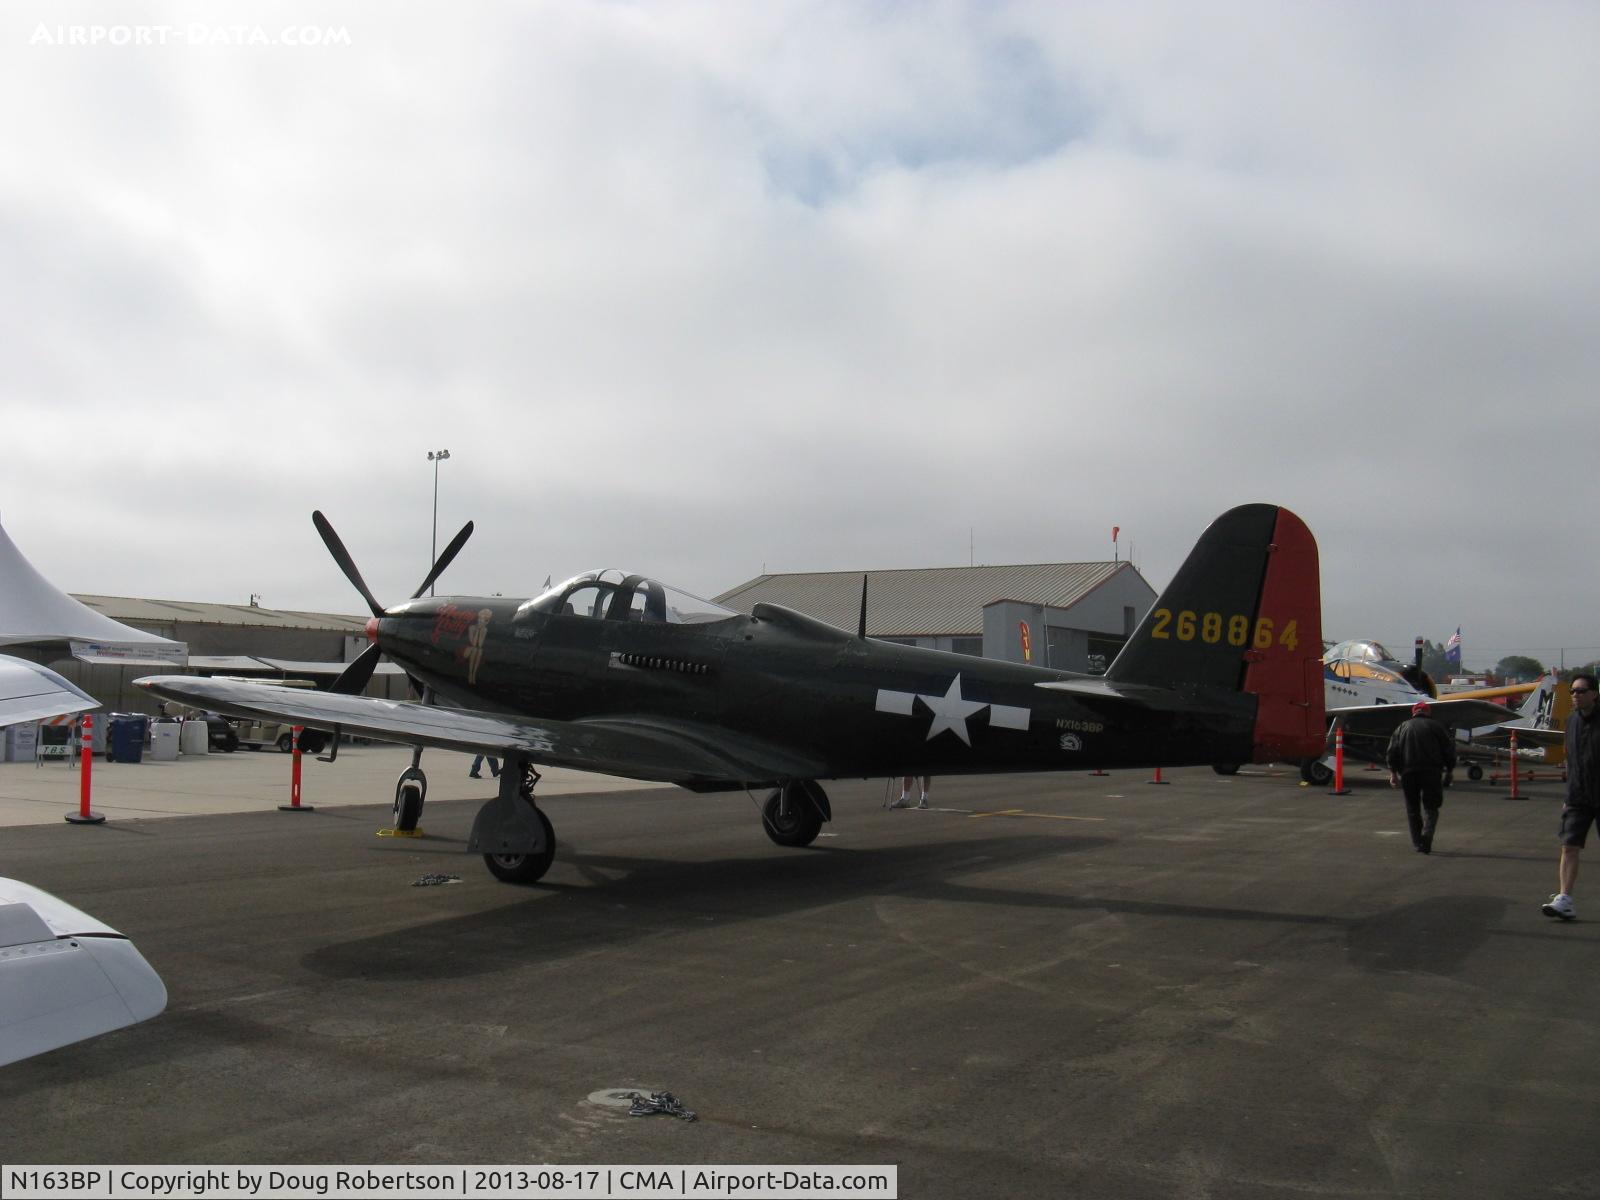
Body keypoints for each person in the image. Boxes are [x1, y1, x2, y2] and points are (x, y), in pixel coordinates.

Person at [1543, 672, 1599, 921]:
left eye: (1581, 691)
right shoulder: (1571, 721)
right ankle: (1565, 899)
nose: (1575, 695)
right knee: (1569, 846)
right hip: (1578, 795)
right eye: (1573, 691)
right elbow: (1571, 758)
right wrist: (1569, 792)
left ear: (1594, 694)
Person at [1385, 700, 1455, 853]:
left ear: (1413, 712)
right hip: (1432, 772)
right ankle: (1427, 835)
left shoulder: (1402, 727)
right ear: (1428, 712)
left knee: (1412, 809)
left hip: (1409, 773)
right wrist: (1449, 770)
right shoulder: (1437, 727)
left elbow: (1392, 752)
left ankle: (1418, 843)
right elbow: (1449, 750)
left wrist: (1393, 774)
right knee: (1432, 807)